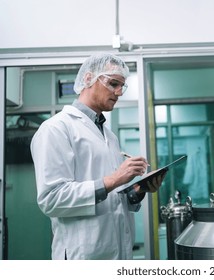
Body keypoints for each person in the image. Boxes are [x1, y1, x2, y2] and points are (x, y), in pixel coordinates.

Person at [30, 53, 166, 260]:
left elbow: (112, 196)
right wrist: (114, 179)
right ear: (88, 79)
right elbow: (51, 199)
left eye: (122, 85)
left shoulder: (109, 135)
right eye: (113, 84)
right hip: (83, 254)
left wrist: (137, 191)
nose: (119, 92)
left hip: (117, 251)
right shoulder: (56, 129)